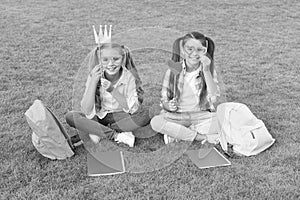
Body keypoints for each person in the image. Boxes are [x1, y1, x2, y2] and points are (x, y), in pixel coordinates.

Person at [66, 43, 151, 147]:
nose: (111, 64)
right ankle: (116, 135)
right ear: (99, 60)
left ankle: (95, 130)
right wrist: (93, 81)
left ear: (123, 58)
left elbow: (132, 109)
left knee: (146, 114)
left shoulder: (129, 77)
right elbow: (86, 110)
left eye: (116, 59)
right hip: (100, 116)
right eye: (105, 60)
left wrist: (112, 90)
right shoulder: (95, 75)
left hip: (122, 116)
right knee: (71, 116)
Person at [150, 32, 220, 144]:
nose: (194, 54)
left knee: (225, 120)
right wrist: (169, 106)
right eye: (190, 49)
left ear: (204, 51)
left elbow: (214, 99)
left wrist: (206, 71)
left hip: (201, 116)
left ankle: (180, 134)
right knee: (156, 122)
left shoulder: (209, 71)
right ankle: (200, 137)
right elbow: (164, 101)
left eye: (199, 50)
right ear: (183, 50)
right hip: (177, 117)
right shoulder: (172, 71)